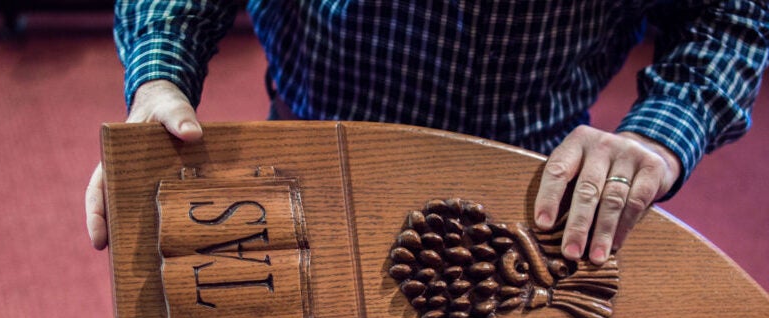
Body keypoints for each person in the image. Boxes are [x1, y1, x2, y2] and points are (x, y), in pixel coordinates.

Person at [86, 1, 768, 266]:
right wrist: (159, 79)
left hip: (532, 209)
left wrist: (655, 136)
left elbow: (728, 17)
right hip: (310, 172)